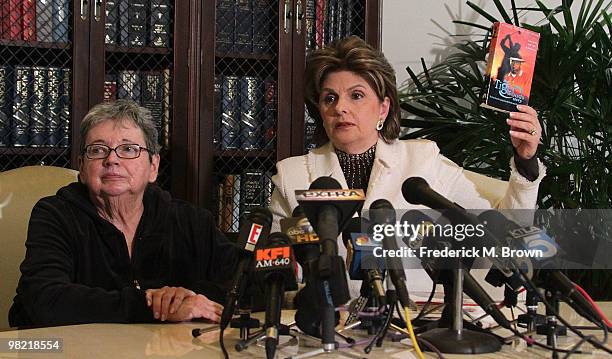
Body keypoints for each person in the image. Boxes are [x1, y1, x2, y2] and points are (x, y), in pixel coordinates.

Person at [269, 36, 545, 294]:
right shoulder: (292, 175)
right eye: (330, 98)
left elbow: (501, 231)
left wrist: (526, 163)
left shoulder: (423, 161)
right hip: (329, 324)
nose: (340, 107)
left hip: (417, 320)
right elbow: (276, 271)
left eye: (356, 95)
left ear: (383, 108)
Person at [9, 100, 238, 326]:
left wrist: (186, 297)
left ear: (153, 167)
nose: (112, 160)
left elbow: (253, 280)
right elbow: (44, 299)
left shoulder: (191, 220)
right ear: (82, 167)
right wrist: (153, 305)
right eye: (98, 150)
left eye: (128, 149)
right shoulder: (55, 214)